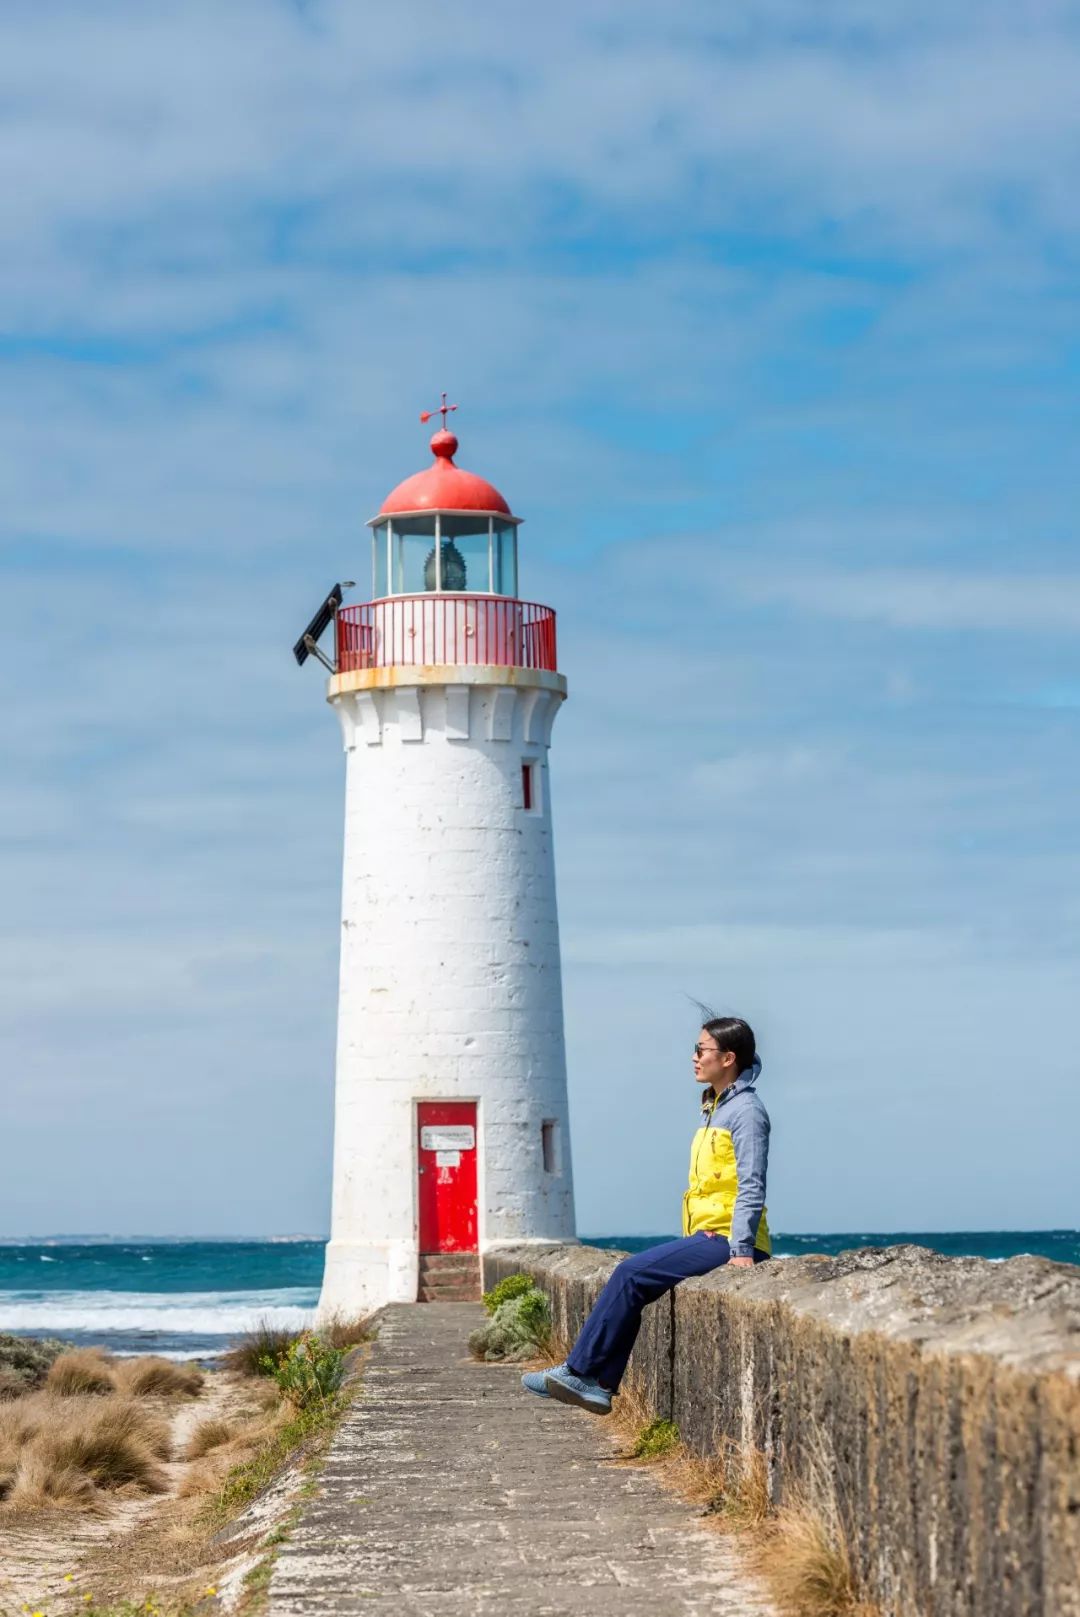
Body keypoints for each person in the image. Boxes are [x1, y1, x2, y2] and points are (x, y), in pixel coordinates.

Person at [522, 1014, 771, 1415]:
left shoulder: (746, 1112)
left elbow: (751, 1183)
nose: (693, 1057)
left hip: (729, 1241)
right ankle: (599, 1384)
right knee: (635, 1282)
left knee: (630, 1273)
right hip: (708, 1235)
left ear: (727, 1058)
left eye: (701, 1049)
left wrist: (741, 1249)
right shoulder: (715, 1108)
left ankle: (578, 1372)